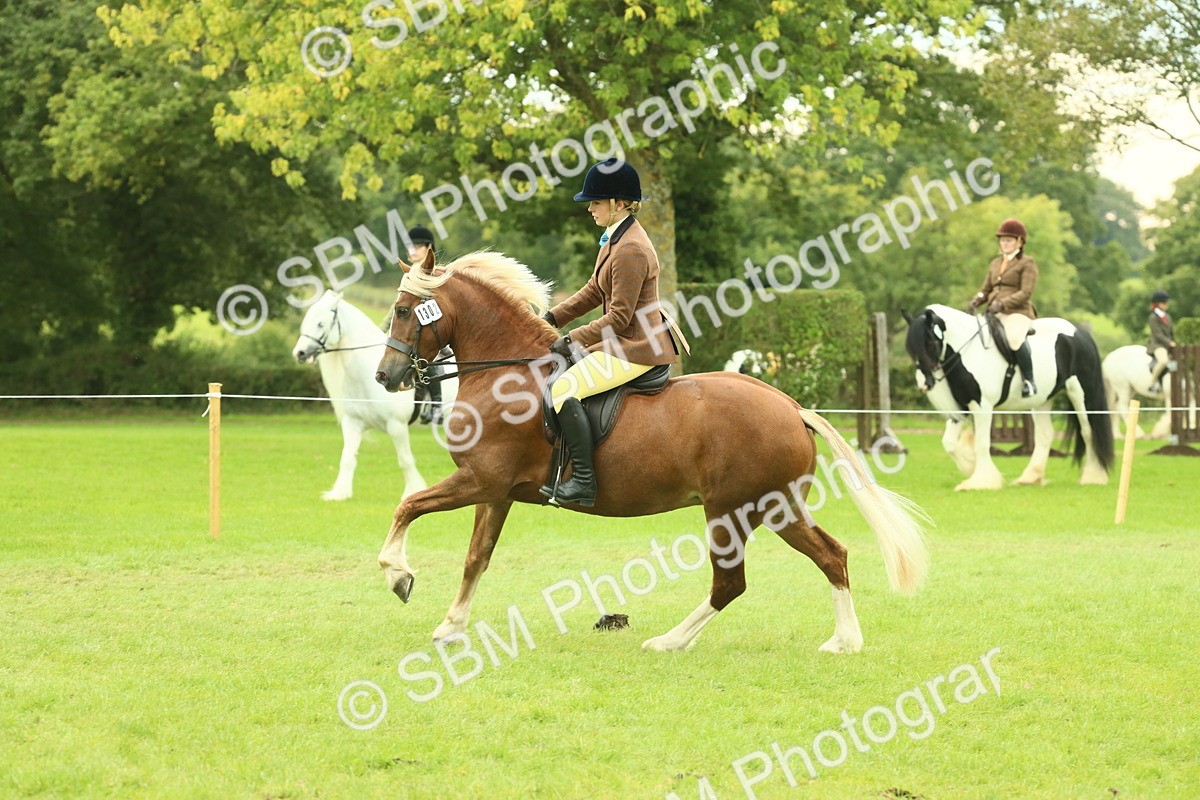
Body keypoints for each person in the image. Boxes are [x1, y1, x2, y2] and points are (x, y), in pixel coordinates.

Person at [538, 157, 682, 507]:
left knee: (564, 388)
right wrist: (551, 317)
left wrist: (572, 338)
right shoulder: (615, 239)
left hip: (637, 348)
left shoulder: (631, 248)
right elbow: (593, 290)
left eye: (596, 202)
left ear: (619, 204)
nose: (590, 209)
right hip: (625, 342)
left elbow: (618, 317)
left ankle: (583, 483)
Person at [968, 218, 1039, 397]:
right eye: (1002, 240)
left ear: (1019, 242)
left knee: (1014, 339)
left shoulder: (1027, 263)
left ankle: (1029, 381)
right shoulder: (995, 263)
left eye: (1009, 240)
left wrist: (1003, 304)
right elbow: (986, 289)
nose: (1004, 243)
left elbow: (1026, 292)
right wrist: (977, 300)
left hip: (1017, 312)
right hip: (993, 312)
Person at [404, 225, 450, 424]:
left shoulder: (434, 273)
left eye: (416, 246)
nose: (411, 251)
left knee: (426, 354)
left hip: (437, 324)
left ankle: (437, 405)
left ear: (428, 247)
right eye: (409, 246)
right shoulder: (408, 273)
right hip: (414, 327)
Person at [1148, 290, 1176, 393]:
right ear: (1158, 303)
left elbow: (1172, 332)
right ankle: (1152, 383)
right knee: (1163, 361)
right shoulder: (1153, 317)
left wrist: (1173, 341)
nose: (1166, 304)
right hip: (1158, 345)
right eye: (1164, 303)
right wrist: (1169, 342)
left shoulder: (1167, 316)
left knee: (1175, 363)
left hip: (1168, 345)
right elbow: (1158, 334)